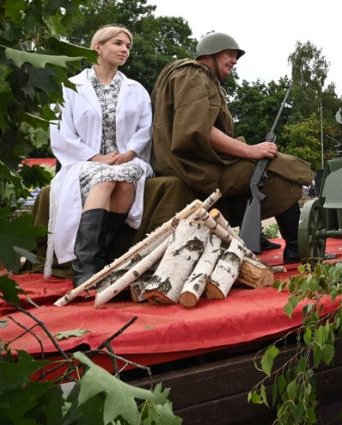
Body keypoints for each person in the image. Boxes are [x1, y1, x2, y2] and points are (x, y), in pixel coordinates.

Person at [150, 32, 313, 263]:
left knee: (259, 168)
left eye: (236, 56)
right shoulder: (193, 74)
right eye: (229, 54)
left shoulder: (201, 79)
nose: (234, 60)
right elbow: (198, 129)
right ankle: (296, 248)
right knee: (276, 171)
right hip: (192, 166)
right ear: (210, 54)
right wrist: (250, 150)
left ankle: (255, 236)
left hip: (196, 162)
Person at [47, 25, 154, 285]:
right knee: (105, 178)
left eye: (127, 46)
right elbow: (61, 133)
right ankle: (84, 267)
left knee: (127, 180)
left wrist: (129, 153)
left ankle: (104, 259)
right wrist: (96, 157)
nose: (124, 50)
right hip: (84, 161)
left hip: (126, 159)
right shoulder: (71, 87)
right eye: (118, 43)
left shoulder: (136, 89)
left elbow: (145, 128)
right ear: (98, 47)